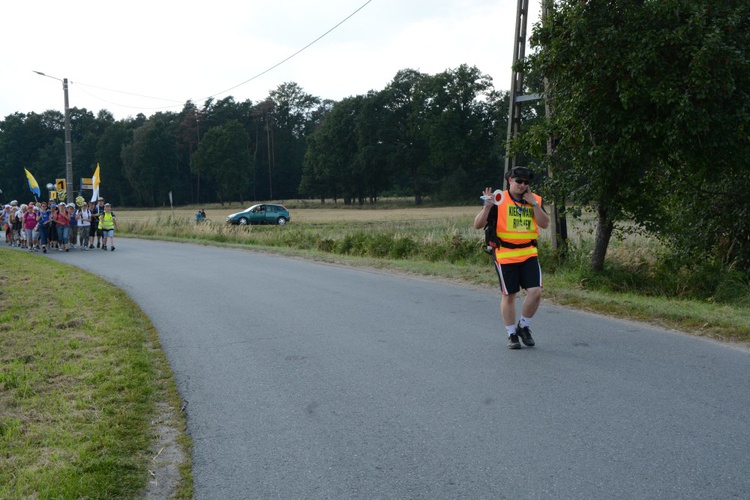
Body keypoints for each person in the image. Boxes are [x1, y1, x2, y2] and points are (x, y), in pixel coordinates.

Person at [474, 166, 550, 349]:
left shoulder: (535, 199)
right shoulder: (499, 199)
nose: (522, 185)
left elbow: (545, 224)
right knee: (509, 295)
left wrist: (534, 204)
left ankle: (524, 327)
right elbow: (477, 225)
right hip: (505, 254)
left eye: (526, 182)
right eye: (519, 181)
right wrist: (487, 208)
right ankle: (511, 334)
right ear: (510, 181)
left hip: (529, 253)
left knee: (536, 292)